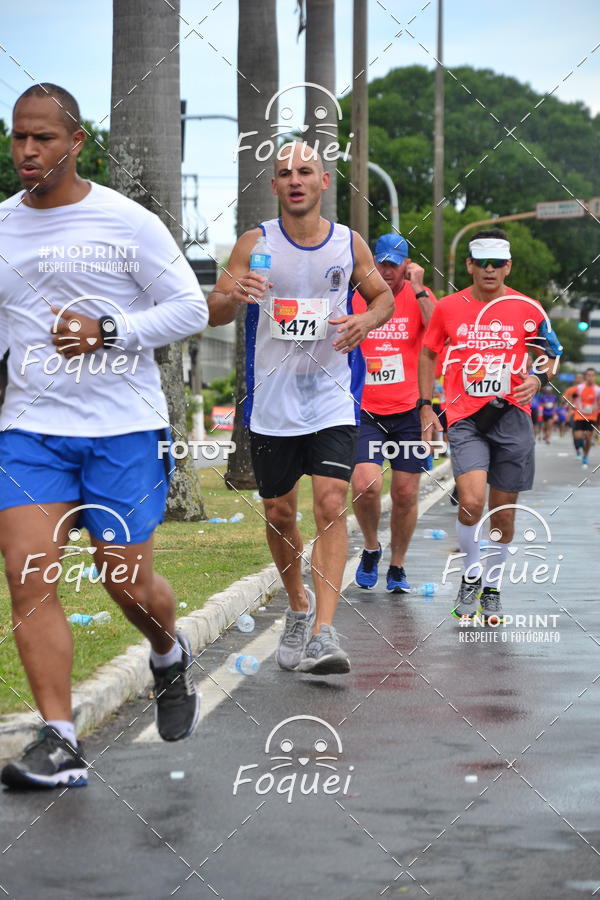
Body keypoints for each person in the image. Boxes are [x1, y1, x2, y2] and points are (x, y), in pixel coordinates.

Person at [0, 85, 208, 789]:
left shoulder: (127, 222)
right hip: (31, 432)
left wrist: (107, 330)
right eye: (19, 137)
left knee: (125, 579)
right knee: (28, 575)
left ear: (76, 142)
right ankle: (59, 739)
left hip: (122, 430)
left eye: (44, 138)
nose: (29, 151)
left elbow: (190, 308)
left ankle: (167, 653)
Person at [207, 141, 393, 675]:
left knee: (331, 503)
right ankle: (297, 604)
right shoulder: (255, 242)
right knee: (279, 512)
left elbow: (383, 298)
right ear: (274, 185)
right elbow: (214, 311)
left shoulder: (348, 243)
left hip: (331, 395)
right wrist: (234, 294)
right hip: (272, 400)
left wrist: (366, 321)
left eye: (305, 171)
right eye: (285, 172)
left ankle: (323, 632)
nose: (295, 180)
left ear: (323, 182)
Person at [418, 229, 562, 623]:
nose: (489, 270)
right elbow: (428, 354)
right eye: (482, 263)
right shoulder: (448, 307)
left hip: (512, 416)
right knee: (470, 502)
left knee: (503, 515)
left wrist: (538, 378)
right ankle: (471, 575)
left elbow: (551, 355)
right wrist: (425, 406)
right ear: (469, 265)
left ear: (508, 266)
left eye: (497, 263)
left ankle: (493, 588)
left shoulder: (527, 308)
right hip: (465, 417)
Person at [351, 233, 435, 593]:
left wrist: (419, 290)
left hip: (409, 412)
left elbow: (440, 334)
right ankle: (371, 547)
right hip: (365, 409)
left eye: (393, 265)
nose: (386, 271)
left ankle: (397, 565)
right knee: (366, 486)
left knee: (405, 494)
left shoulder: (421, 296)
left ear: (407, 266)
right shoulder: (357, 295)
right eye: (381, 263)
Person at [570, 367, 600, 467]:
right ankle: (581, 446)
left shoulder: (597, 390)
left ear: (595, 376)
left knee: (588, 437)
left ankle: (585, 456)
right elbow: (571, 397)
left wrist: (594, 407)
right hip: (579, 415)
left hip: (591, 416)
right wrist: (572, 405)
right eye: (588, 375)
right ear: (585, 376)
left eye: (592, 375)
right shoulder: (579, 388)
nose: (590, 377)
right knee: (578, 436)